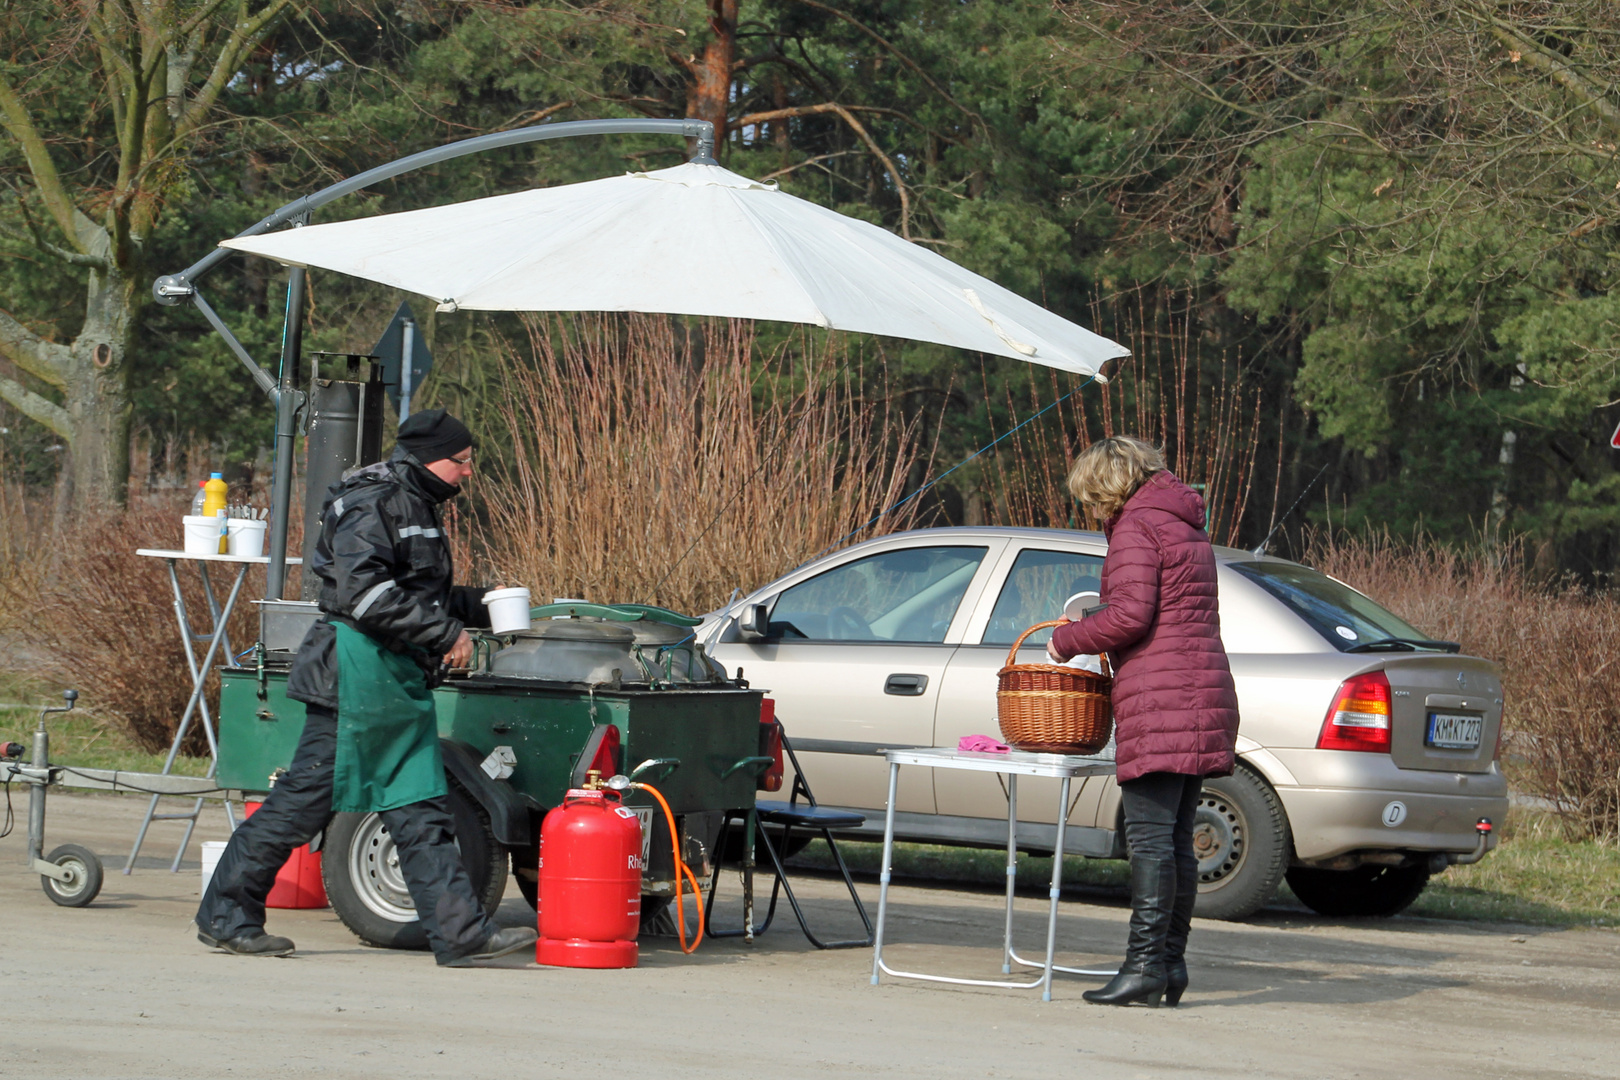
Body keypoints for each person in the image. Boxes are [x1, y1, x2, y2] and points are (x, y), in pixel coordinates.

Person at [196, 408, 537, 966]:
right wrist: (444, 631)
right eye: (463, 462)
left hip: (391, 682)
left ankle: (460, 935)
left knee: (420, 807)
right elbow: (363, 595)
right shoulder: (373, 501)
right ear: (432, 458)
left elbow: (412, 591)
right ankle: (226, 915)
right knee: (300, 806)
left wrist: (480, 602)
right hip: (351, 681)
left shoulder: (416, 504)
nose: (469, 473)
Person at [1045, 436, 1239, 1007]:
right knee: (1177, 839)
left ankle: (1144, 967)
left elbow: (1131, 615)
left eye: (1092, 498)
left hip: (1162, 697)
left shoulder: (1137, 526)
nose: (1095, 511)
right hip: (1201, 690)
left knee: (1152, 842)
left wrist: (1066, 639)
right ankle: (1169, 967)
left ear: (1107, 484)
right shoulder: (1183, 522)